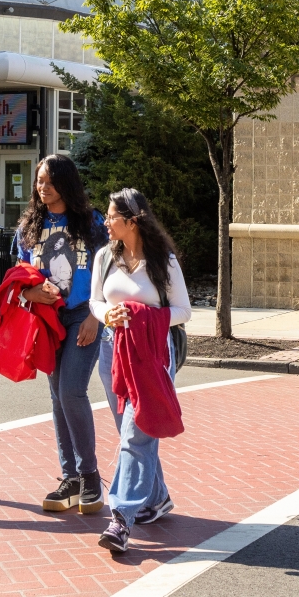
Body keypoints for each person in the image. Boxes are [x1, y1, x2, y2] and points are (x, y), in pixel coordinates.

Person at [90, 188, 191, 554]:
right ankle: (157, 498)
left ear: (132, 221)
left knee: (134, 434)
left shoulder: (163, 261)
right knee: (134, 431)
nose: (106, 221)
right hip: (111, 351)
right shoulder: (104, 257)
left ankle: (121, 518)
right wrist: (108, 315)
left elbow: (183, 311)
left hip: (151, 355)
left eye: (112, 216)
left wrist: (144, 316)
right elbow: (95, 301)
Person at [15, 154, 107, 513]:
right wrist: (28, 294)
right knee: (57, 395)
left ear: (66, 183)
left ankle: (90, 477)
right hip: (47, 319)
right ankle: (69, 479)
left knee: (71, 391)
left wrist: (96, 317)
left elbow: (110, 274)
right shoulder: (29, 226)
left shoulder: (93, 223)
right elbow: (19, 273)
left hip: (83, 316)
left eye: (50, 182)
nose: (42, 188)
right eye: (39, 181)